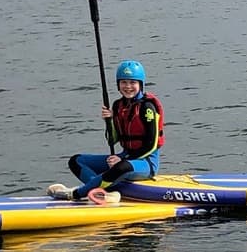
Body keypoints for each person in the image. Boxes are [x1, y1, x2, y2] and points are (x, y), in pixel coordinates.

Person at [51, 60, 164, 205]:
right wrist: (109, 120)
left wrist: (124, 159)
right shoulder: (118, 106)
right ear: (118, 84)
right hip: (124, 157)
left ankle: (76, 193)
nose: (128, 87)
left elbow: (151, 144)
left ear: (140, 84)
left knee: (121, 167)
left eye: (132, 82)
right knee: (76, 161)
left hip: (145, 162)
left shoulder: (148, 107)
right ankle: (104, 192)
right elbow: (113, 140)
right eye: (123, 82)